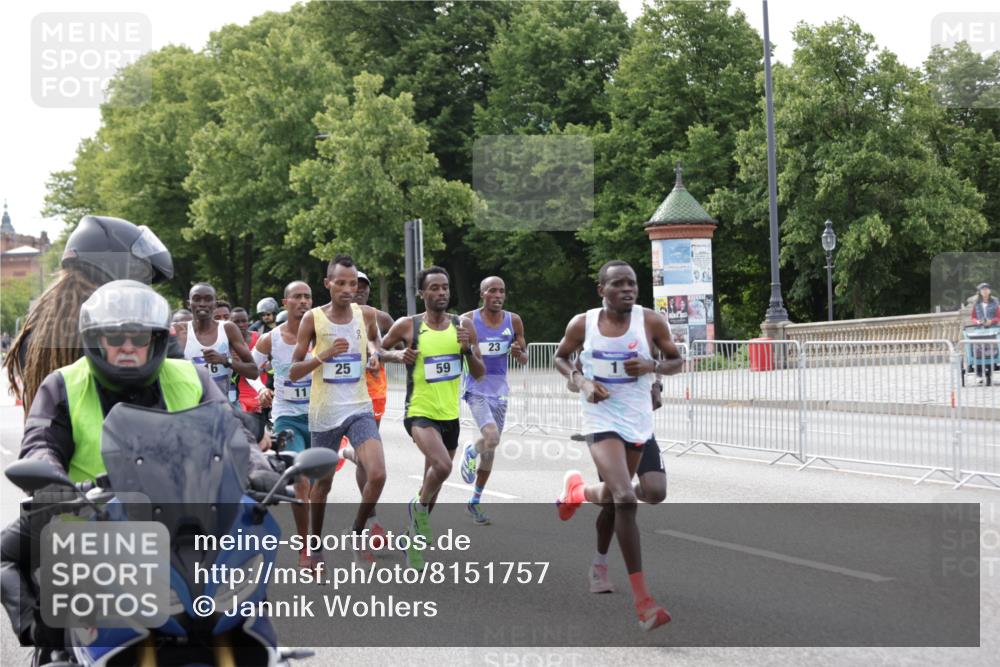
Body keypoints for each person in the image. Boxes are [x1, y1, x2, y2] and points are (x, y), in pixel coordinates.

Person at [0, 280, 277, 664]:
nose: (128, 346)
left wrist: (259, 468)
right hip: (91, 519)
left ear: (157, 340)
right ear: (96, 340)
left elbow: (233, 431)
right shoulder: (64, 384)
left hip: (187, 519)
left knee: (246, 579)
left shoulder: (189, 377)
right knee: (8, 553)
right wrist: (53, 482)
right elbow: (41, 443)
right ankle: (51, 643)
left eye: (139, 337)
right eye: (115, 337)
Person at [552, 260, 683, 631]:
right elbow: (560, 357)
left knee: (623, 495)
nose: (627, 289)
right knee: (624, 497)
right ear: (602, 290)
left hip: (637, 421)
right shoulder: (584, 324)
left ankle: (577, 492)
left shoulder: (651, 321)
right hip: (601, 420)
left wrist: (653, 368)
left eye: (632, 284)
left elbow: (676, 360)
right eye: (619, 284)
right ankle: (644, 603)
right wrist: (582, 382)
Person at [4, 215, 173, 413]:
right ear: (115, 268)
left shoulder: (41, 332)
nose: (141, 288)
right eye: (139, 276)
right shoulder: (106, 331)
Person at [380, 266, 485, 570]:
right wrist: (397, 356)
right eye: (435, 288)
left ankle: (411, 540)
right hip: (419, 412)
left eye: (445, 287)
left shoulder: (463, 326)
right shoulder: (408, 325)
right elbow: (377, 352)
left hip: (450, 415)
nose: (441, 293)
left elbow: (479, 373)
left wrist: (467, 350)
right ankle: (417, 508)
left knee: (435, 483)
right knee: (443, 466)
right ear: (422, 293)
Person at [289, 255, 386, 567]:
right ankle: (315, 547)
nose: (347, 289)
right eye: (341, 283)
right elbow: (294, 371)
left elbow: (374, 340)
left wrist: (375, 354)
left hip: (359, 407)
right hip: (325, 413)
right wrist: (324, 355)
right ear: (327, 283)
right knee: (323, 485)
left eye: (352, 283)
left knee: (377, 474)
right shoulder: (313, 319)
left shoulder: (366, 314)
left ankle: (357, 532)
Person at [254, 281, 317, 569]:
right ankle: (305, 548)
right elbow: (250, 369)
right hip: (287, 415)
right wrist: (261, 389)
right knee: (300, 479)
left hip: (319, 416)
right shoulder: (271, 339)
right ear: (285, 302)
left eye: (307, 297)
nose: (303, 301)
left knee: (316, 486)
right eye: (297, 297)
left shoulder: (321, 334)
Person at [457, 276, 528, 525]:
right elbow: (459, 352)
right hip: (476, 388)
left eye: (502, 291)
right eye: (492, 291)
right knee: (491, 437)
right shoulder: (468, 320)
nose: (498, 295)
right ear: (482, 294)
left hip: (500, 390)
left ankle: (474, 501)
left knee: (490, 450)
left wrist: (519, 353)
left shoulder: (513, 320)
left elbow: (524, 357)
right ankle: (470, 450)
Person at [338, 270, 395, 542]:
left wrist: (381, 355)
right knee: (368, 459)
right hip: (344, 393)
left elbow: (399, 346)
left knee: (365, 457)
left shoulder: (380, 318)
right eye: (354, 286)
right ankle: (372, 522)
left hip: (375, 392)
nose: (359, 291)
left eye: (364, 287)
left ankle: (350, 453)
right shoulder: (330, 318)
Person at [175, 283, 258, 403]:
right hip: (190, 406)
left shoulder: (228, 329)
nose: (202, 304)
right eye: (197, 299)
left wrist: (225, 360)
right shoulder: (179, 331)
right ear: (189, 304)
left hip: (221, 407)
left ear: (214, 304)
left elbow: (253, 372)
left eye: (208, 299)